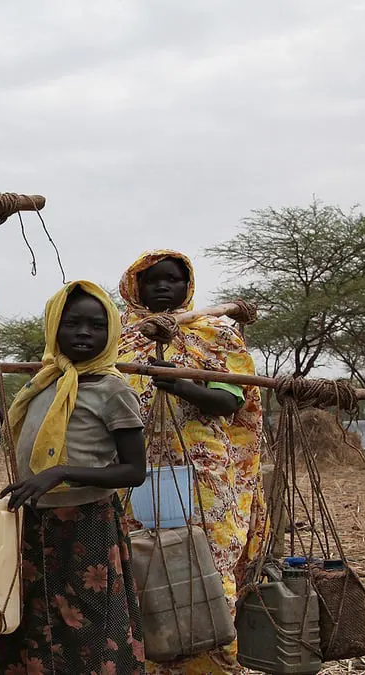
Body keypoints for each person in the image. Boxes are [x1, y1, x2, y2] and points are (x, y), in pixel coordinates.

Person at [0, 280, 148, 675]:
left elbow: (134, 471)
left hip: (86, 528)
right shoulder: (42, 384)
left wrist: (60, 473)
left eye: (96, 326)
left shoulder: (112, 390)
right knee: (27, 620)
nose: (84, 333)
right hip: (33, 524)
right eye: (72, 323)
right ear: (53, 328)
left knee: (85, 627)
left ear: (111, 331)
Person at [117, 250, 264, 675]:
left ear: (188, 287)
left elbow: (228, 399)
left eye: (174, 280)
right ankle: (147, 661)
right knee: (142, 564)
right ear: (135, 287)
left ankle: (212, 662)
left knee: (207, 565)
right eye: (152, 280)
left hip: (203, 473)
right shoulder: (120, 338)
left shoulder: (214, 334)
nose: (163, 286)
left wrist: (179, 384)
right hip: (134, 472)